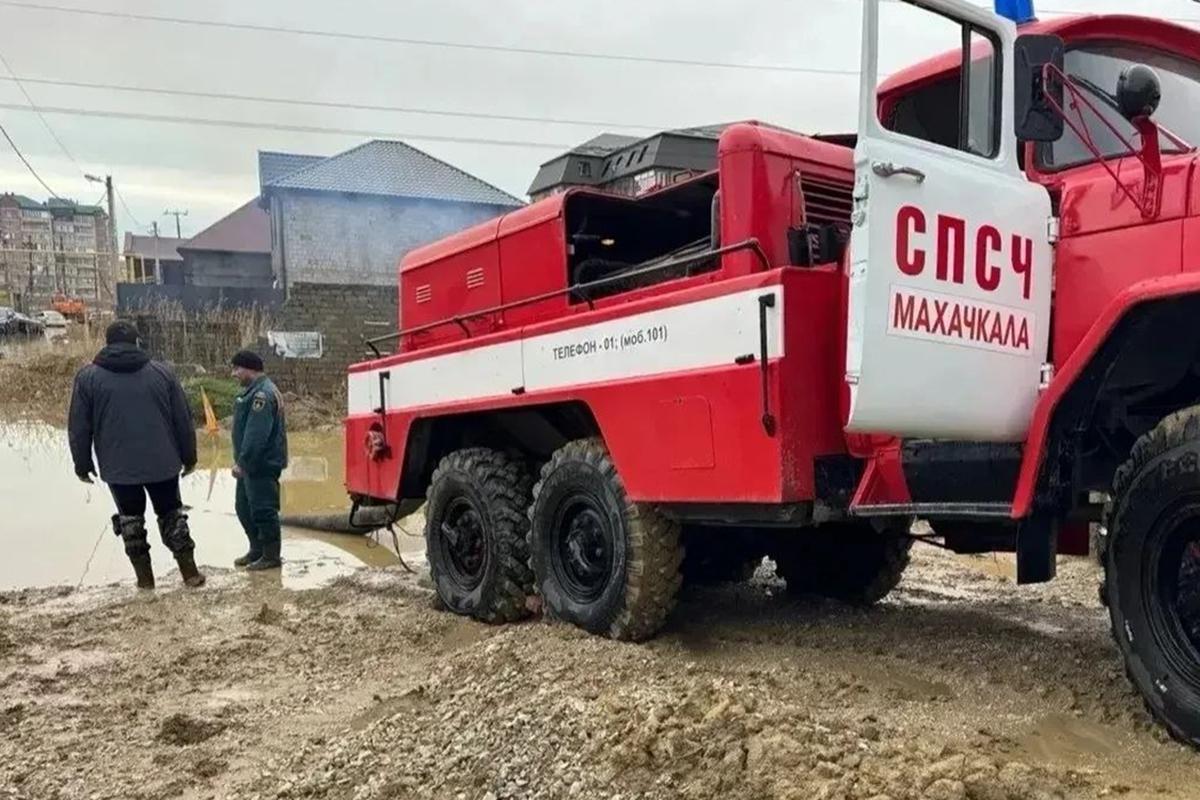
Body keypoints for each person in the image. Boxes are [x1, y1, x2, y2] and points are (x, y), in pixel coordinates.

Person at [68, 320, 205, 589]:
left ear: (107, 343)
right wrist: (189, 458)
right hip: (163, 463)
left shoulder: (87, 378)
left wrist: (81, 464)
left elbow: (79, 427)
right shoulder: (162, 373)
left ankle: (145, 581)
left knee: (131, 522)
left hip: (118, 468)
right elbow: (183, 421)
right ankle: (190, 574)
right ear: (137, 342)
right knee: (172, 516)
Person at [230, 350, 288, 571]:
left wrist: (242, 463)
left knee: (263, 510)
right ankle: (257, 549)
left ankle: (271, 555)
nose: (234, 374)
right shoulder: (253, 392)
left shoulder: (262, 395)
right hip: (250, 466)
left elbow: (257, 435)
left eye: (237, 369)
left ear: (250, 368)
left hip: (261, 465)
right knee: (243, 508)